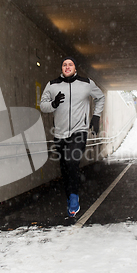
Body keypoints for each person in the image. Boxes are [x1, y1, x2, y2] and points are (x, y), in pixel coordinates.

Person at [40, 57, 105, 217]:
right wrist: (53, 104)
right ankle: (70, 197)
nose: (67, 67)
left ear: (75, 68)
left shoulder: (86, 83)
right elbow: (42, 105)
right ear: (61, 68)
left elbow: (100, 97)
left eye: (70, 64)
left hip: (79, 131)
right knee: (65, 168)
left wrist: (96, 116)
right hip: (60, 134)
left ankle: (74, 198)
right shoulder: (52, 85)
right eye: (64, 64)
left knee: (72, 161)